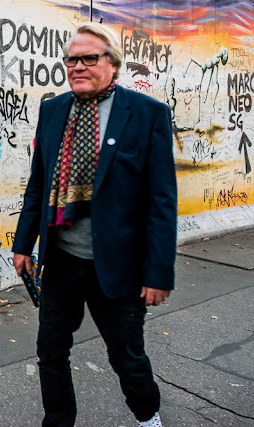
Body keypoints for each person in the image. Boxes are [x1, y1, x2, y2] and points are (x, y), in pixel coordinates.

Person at [12, 22, 177, 427]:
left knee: (126, 356)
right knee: (50, 351)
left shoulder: (146, 115)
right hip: (63, 260)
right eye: (72, 59)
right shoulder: (53, 111)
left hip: (119, 266)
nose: (78, 66)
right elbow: (39, 182)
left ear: (113, 64)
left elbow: (161, 202)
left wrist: (158, 274)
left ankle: (147, 415)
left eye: (89, 58)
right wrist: (22, 244)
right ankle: (59, 420)